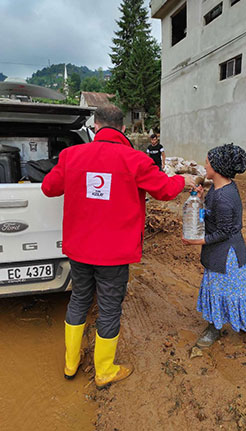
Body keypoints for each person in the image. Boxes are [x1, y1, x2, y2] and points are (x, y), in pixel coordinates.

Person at [41, 105, 196, 389]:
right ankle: (104, 371)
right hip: (114, 254)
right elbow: (164, 190)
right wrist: (181, 180)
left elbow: (49, 188)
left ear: (95, 126)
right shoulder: (135, 160)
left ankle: (70, 363)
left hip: (79, 249)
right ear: (123, 129)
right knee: (110, 308)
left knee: (78, 300)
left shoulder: (71, 155)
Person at [182, 143, 246, 347]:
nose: (204, 167)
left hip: (227, 256)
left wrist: (196, 241)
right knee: (221, 291)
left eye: (207, 163)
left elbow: (224, 232)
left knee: (227, 292)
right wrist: (200, 199)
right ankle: (226, 325)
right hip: (219, 253)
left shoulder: (225, 197)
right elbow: (212, 215)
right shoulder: (219, 188)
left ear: (216, 167)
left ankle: (217, 329)